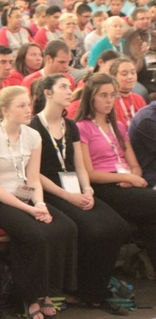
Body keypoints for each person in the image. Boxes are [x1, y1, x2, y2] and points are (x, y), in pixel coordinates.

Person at [0, 86, 77, 319]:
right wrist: (30, 210)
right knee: (35, 234)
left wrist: (40, 205)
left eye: (28, 104)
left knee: (66, 227)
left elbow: (33, 179)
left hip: (25, 197)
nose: (28, 109)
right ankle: (30, 297)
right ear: (5, 111)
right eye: (21, 105)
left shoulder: (32, 135)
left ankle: (48, 291)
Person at [29, 75, 130, 308]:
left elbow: (80, 165)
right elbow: (34, 174)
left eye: (70, 87)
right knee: (94, 230)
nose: (69, 90)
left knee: (118, 227)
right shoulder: (33, 127)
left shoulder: (71, 126)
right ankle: (80, 289)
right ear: (48, 93)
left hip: (76, 185)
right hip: (52, 189)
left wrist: (87, 190)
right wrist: (69, 196)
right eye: (62, 87)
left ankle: (95, 288)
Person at [75, 73, 156, 270]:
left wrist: (132, 178)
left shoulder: (118, 126)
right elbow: (88, 172)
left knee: (151, 220)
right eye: (103, 95)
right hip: (103, 185)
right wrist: (126, 177)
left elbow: (135, 165)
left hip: (128, 183)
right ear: (90, 98)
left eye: (112, 95)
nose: (109, 100)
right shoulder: (81, 127)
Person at [107, 57, 146, 130]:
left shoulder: (139, 99)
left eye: (133, 73)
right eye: (124, 74)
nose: (130, 77)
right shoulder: (109, 101)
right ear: (114, 77)